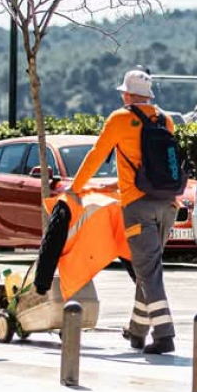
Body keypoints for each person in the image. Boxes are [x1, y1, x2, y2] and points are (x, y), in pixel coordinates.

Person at [68, 68, 179, 355]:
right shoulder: (165, 120)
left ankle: (164, 333)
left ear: (128, 95)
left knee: (149, 271)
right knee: (147, 269)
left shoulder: (119, 119)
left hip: (137, 207)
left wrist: (75, 189)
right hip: (167, 205)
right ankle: (137, 331)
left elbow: (95, 156)